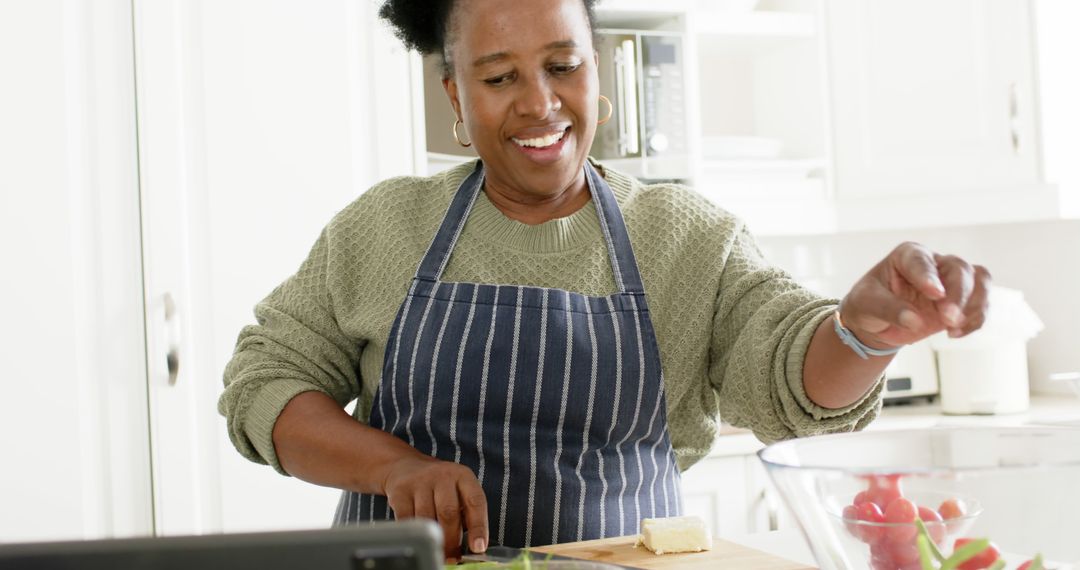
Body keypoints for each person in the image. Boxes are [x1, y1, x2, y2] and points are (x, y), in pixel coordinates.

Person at [218, 0, 991, 561]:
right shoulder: (384, 228)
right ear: (455, 93)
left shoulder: (686, 237)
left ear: (601, 71)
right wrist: (396, 468)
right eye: (498, 77)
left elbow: (790, 370)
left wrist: (863, 331)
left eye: (563, 66)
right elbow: (264, 385)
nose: (540, 102)